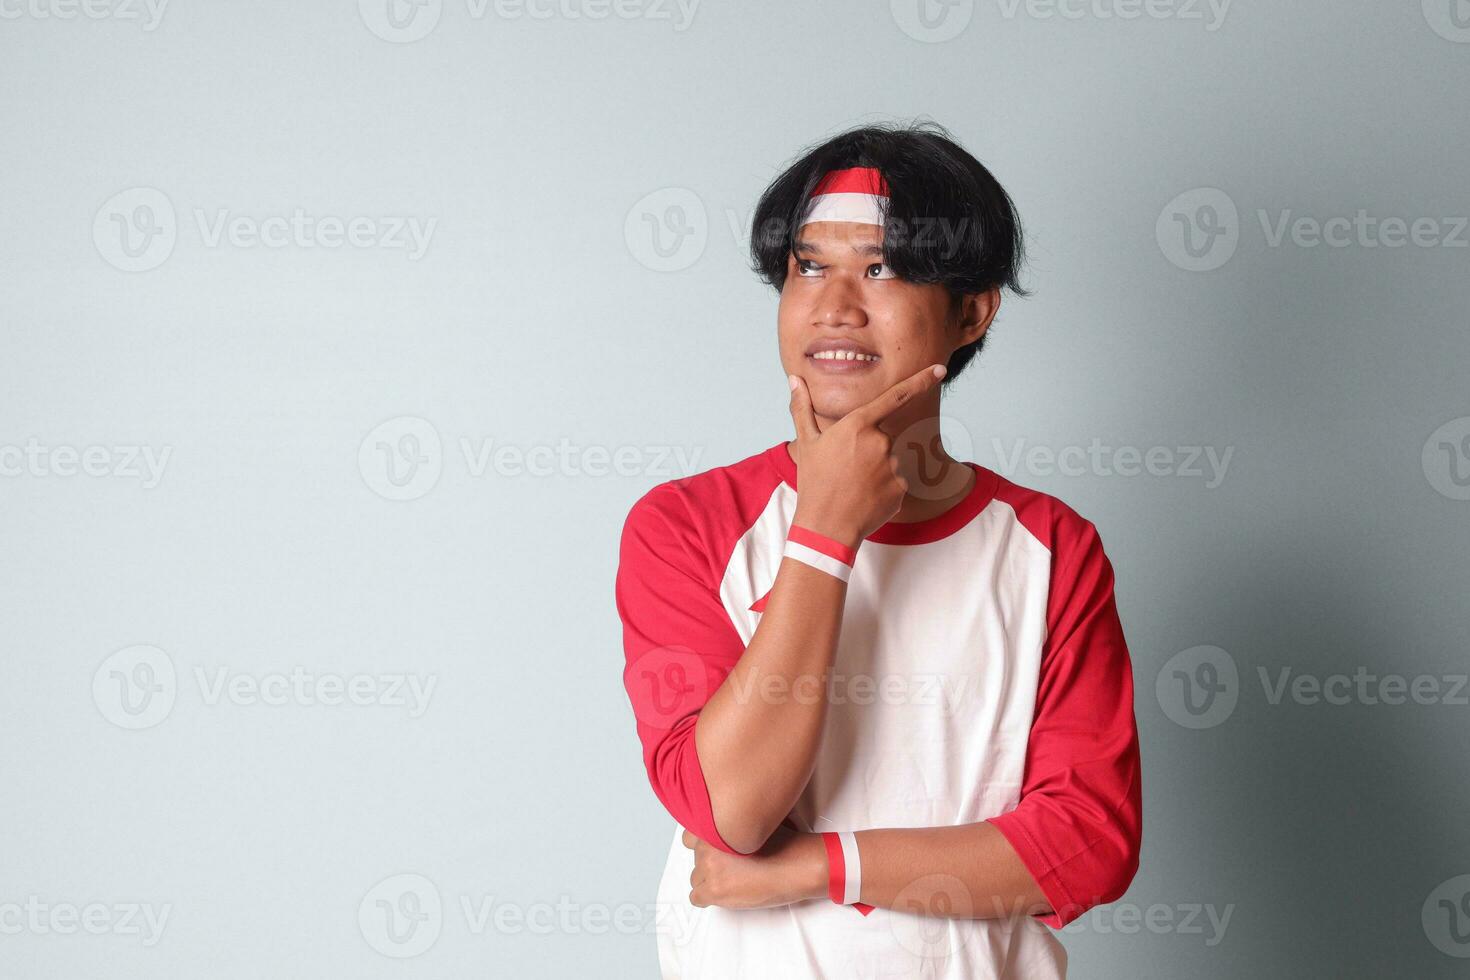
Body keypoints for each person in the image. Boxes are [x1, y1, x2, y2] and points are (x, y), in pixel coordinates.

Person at [616, 121, 1142, 979]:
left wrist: (822, 866)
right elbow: (730, 810)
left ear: (971, 312)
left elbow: (1087, 843)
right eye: (809, 267)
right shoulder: (684, 525)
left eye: (883, 268)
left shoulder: (1052, 547)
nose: (835, 308)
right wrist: (823, 535)